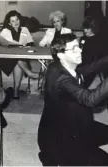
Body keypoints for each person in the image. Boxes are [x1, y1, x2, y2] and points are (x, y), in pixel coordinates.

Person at [37, 33, 108, 166]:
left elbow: (87, 69)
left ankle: (49, 156)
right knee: (103, 160)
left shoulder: (60, 66)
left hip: (73, 125)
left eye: (79, 46)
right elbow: (89, 99)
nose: (80, 50)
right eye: (74, 48)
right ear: (61, 54)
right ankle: (52, 157)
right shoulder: (62, 79)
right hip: (63, 139)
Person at [0, 10, 39, 98]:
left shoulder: (25, 29)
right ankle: (29, 73)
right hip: (7, 58)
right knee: (17, 59)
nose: (16, 22)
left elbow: (31, 42)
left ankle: (16, 92)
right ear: (9, 23)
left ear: (20, 20)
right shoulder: (5, 31)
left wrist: (29, 46)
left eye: (17, 20)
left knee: (18, 61)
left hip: (22, 56)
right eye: (13, 21)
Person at [76, 16, 108, 87]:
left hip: (91, 66)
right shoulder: (83, 38)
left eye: (88, 28)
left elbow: (98, 59)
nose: (85, 30)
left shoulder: (99, 40)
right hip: (81, 62)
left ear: (93, 28)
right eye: (84, 28)